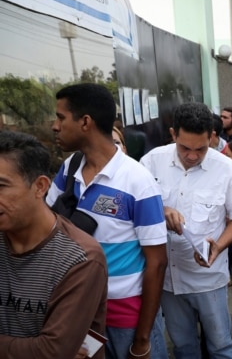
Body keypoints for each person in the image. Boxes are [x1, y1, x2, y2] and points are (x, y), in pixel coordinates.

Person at [47, 83, 168, 359]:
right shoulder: (69, 168)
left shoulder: (138, 181)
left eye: (61, 117)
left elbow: (157, 262)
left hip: (126, 317)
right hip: (81, 311)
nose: (55, 126)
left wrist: (142, 338)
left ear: (86, 122)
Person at [140, 102, 232, 358]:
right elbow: (133, 209)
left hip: (208, 279)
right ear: (173, 134)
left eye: (200, 149)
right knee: (183, 347)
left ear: (212, 137)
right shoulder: (151, 163)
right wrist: (161, 209)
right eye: (184, 148)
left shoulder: (226, 169)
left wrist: (219, 245)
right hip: (169, 279)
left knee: (221, 347)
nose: (192, 155)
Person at [0, 131, 108, 358]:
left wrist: (49, 349)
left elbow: (52, 352)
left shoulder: (80, 258)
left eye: (1, 186)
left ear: (40, 187)